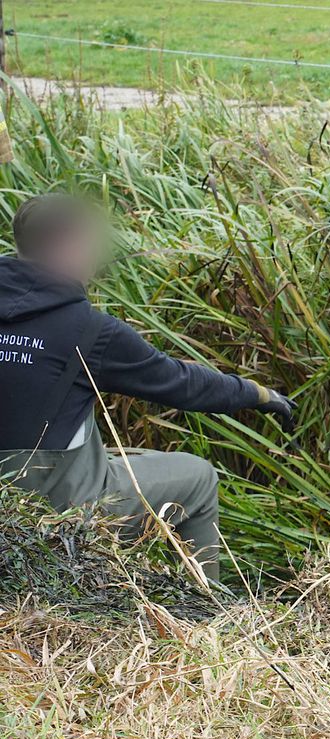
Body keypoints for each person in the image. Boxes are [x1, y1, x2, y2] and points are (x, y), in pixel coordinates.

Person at [0, 193, 296, 581]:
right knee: (198, 478)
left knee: (123, 456)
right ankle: (210, 612)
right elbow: (183, 384)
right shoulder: (92, 332)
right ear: (71, 247)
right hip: (49, 513)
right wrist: (259, 394)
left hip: (9, 502)